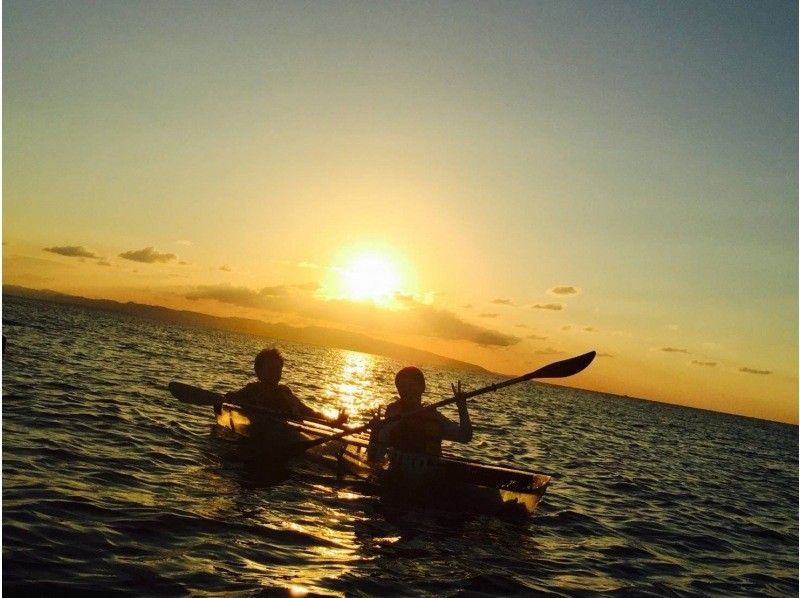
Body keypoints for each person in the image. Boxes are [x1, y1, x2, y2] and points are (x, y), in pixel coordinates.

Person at [226, 348, 346, 424]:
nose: (276, 373)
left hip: (286, 437)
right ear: (258, 371)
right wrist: (230, 398)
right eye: (271, 369)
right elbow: (231, 397)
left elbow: (308, 412)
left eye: (278, 369)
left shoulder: (285, 392)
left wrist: (333, 421)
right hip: (260, 437)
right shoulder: (252, 391)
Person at [376, 366, 472, 459]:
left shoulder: (433, 417)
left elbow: (465, 436)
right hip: (397, 471)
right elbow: (377, 455)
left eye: (411, 385)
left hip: (428, 472)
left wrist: (462, 408)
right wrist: (375, 432)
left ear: (422, 387)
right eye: (402, 387)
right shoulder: (393, 414)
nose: (406, 390)